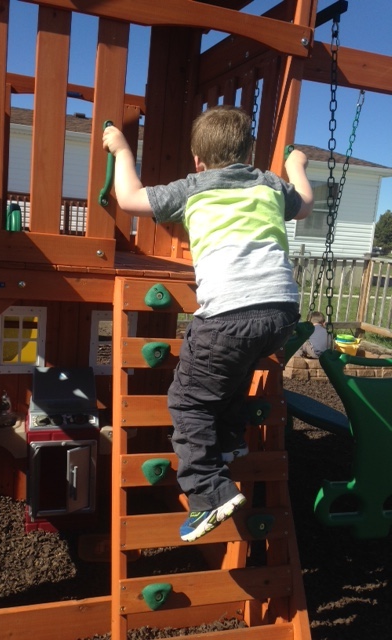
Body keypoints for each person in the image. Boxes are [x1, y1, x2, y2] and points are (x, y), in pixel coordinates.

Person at [103, 106, 314, 542]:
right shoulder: (271, 185)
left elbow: (129, 199)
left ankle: (208, 493)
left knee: (188, 403)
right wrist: (296, 165)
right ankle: (231, 440)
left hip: (227, 315)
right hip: (281, 313)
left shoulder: (193, 188)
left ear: (198, 161)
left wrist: (122, 149)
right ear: (248, 155)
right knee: (231, 375)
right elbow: (306, 204)